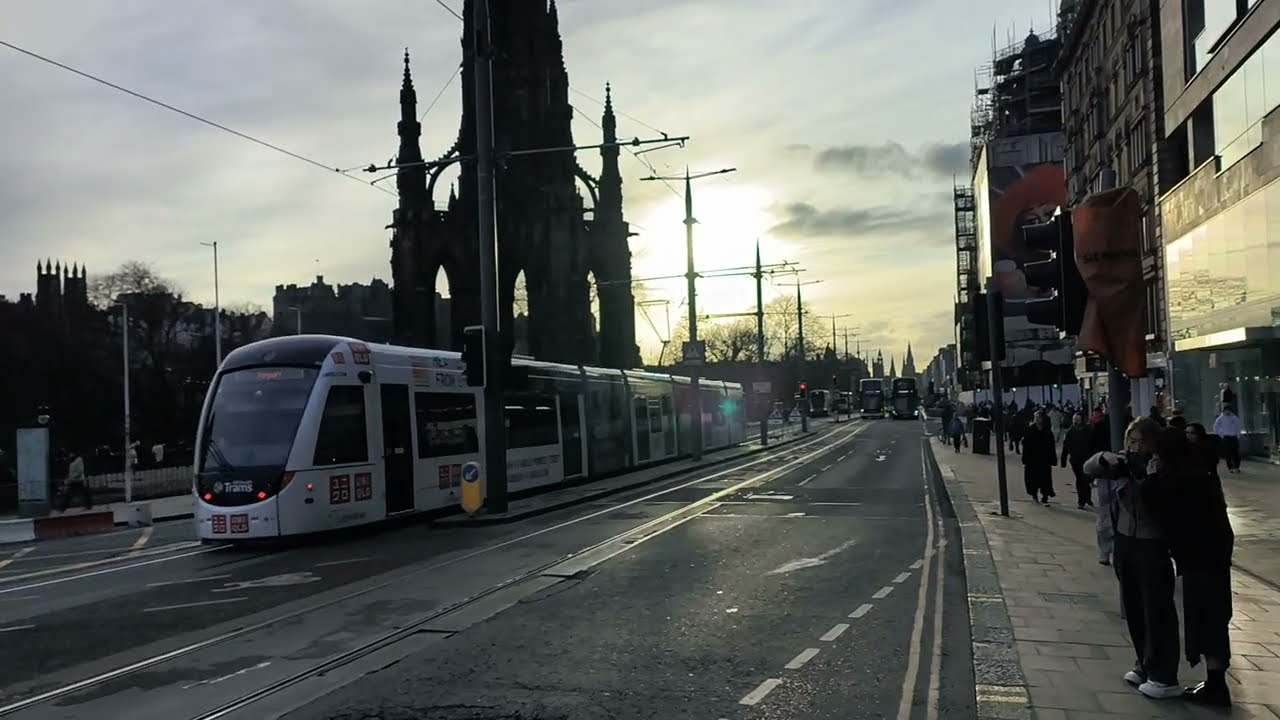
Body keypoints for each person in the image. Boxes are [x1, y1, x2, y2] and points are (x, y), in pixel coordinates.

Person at [1084, 417, 1182, 699]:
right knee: (1134, 607)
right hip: (1125, 541)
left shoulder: (1162, 465)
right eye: (1132, 440)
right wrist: (1106, 458)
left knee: (1157, 610)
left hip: (1152, 544)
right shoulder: (1123, 462)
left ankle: (1164, 674)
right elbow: (1089, 468)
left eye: (1141, 441)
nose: (1136, 447)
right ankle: (1143, 663)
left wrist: (1149, 476)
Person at [1176, 423, 1235, 706]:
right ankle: (1214, 681)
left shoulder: (1196, 480)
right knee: (1213, 620)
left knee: (1207, 620)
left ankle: (1216, 686)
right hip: (1213, 558)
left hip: (1202, 559)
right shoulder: (1209, 478)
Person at [1022, 410, 1056, 504]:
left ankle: (1045, 495)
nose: (1037, 420)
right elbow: (1025, 445)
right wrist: (1025, 459)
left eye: (1039, 418)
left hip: (1044, 459)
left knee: (1045, 478)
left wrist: (1052, 458)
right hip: (1032, 459)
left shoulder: (1047, 431)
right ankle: (1034, 494)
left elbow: (1051, 445)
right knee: (1033, 479)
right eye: (1035, 418)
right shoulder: (1030, 430)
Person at [1061, 412, 1093, 509]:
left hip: (1087, 458)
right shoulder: (1070, 432)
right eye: (1074, 420)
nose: (1076, 422)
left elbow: (1093, 444)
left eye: (1077, 420)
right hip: (1075, 460)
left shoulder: (1087, 430)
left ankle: (1087, 497)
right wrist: (1063, 460)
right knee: (1080, 479)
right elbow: (1065, 447)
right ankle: (1081, 500)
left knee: (1086, 479)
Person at [1213, 405, 1242, 473]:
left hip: (1234, 437)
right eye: (1226, 411)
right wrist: (1221, 435)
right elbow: (1215, 427)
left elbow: (1238, 426)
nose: (1227, 412)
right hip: (1226, 437)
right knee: (1228, 453)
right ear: (1224, 411)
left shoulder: (1234, 417)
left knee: (1236, 453)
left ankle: (1237, 467)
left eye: (1229, 410)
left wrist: (1238, 435)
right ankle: (1230, 467)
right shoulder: (1220, 418)